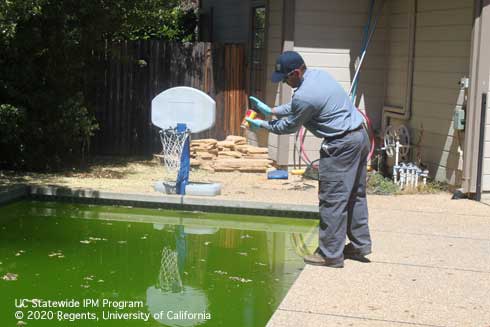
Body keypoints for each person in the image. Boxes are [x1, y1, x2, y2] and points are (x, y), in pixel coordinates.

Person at [246, 51, 372, 268]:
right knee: (355, 195)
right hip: (359, 137)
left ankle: (330, 254)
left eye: (286, 78)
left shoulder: (305, 95)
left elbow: (290, 125)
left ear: (296, 72)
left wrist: (263, 125)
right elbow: (297, 107)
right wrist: (272, 111)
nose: (285, 82)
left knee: (332, 199)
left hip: (340, 146)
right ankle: (360, 245)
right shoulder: (319, 76)